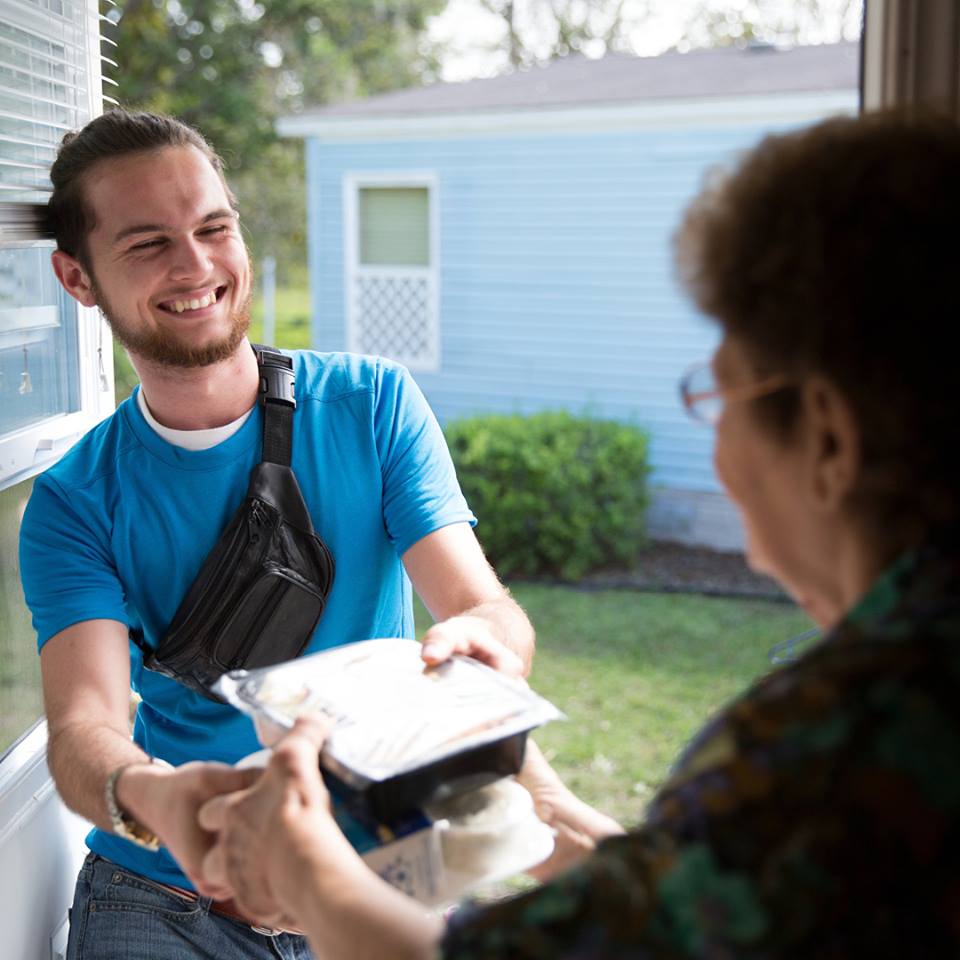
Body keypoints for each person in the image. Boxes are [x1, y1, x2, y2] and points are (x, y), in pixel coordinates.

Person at [196, 108, 960, 958]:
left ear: (825, 438)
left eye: (718, 393)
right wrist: (538, 800)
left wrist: (302, 864)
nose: (719, 447)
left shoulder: (852, 735)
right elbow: (703, 905)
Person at [19, 109, 539, 960]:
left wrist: (486, 644)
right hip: (162, 894)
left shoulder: (373, 406)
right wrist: (165, 802)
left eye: (213, 227)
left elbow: (481, 604)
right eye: (148, 244)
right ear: (78, 278)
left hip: (372, 871)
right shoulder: (75, 502)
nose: (196, 265)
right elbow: (84, 731)